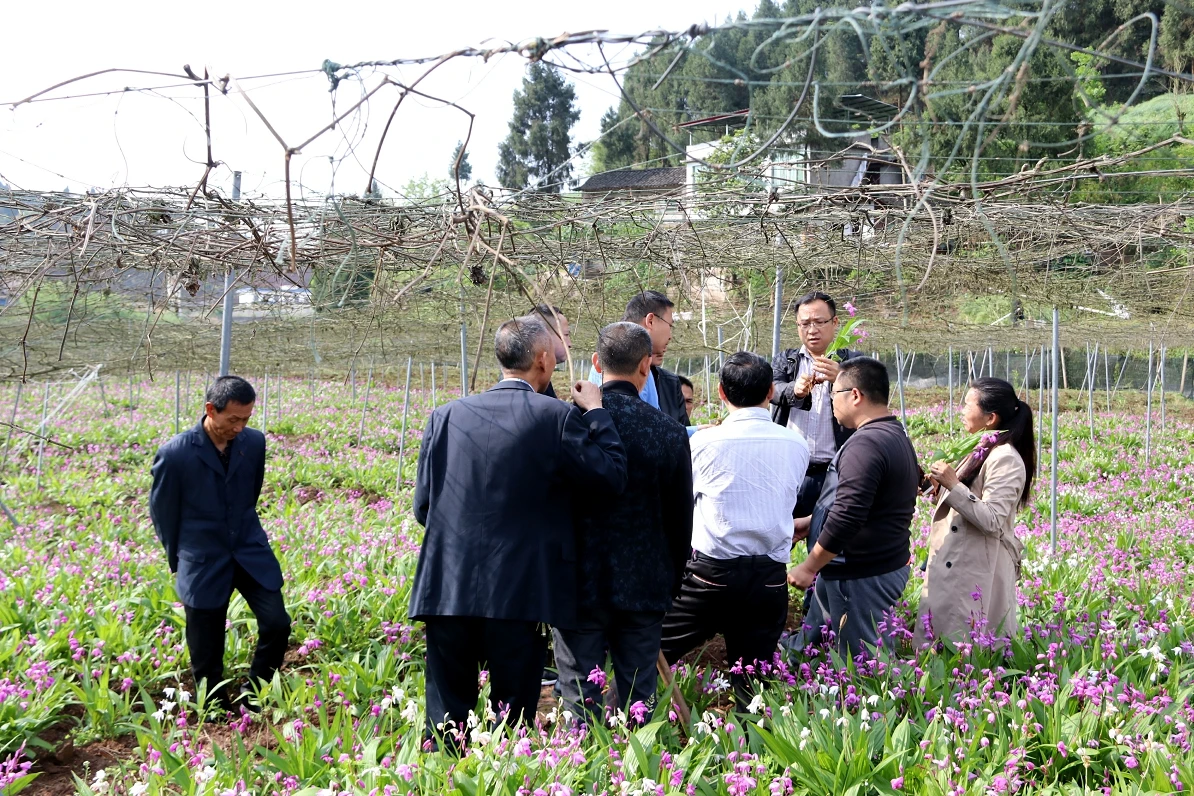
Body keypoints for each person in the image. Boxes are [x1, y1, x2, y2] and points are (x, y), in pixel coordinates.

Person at [410, 315, 627, 750]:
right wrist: (599, 412)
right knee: (510, 721)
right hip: (519, 591)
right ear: (544, 361)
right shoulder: (557, 416)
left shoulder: (445, 415)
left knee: (445, 719)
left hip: (447, 587)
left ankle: (444, 779)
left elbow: (424, 508)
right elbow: (610, 477)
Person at [554, 322, 692, 725]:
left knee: (580, 696)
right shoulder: (668, 431)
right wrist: (672, 578)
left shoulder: (569, 423)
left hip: (579, 583)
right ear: (646, 366)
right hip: (645, 583)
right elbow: (680, 517)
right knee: (637, 699)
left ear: (596, 363)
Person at [661, 353, 809, 704]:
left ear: (721, 392)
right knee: (754, 679)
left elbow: (680, 503)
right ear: (772, 391)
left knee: (653, 649)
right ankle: (752, 750)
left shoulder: (701, 443)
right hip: (770, 579)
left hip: (710, 576)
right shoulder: (796, 444)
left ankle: (624, 725)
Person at [149, 376, 291, 713]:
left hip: (248, 549)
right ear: (211, 410)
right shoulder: (176, 454)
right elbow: (164, 513)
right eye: (233, 419)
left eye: (246, 419)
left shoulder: (253, 443)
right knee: (207, 644)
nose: (240, 427)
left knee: (277, 622)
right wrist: (180, 560)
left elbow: (249, 494)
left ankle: (252, 693)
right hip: (202, 555)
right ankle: (212, 707)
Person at [787, 358, 918, 660]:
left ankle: (879, 706)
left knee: (864, 660)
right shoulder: (892, 435)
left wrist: (809, 566)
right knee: (817, 639)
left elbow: (848, 515)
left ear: (855, 395)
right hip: (868, 566)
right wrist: (812, 522)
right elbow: (869, 502)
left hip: (861, 573)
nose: (831, 401)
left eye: (834, 393)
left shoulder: (866, 444)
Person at [919, 377, 1033, 644]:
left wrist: (952, 484)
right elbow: (968, 498)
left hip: (975, 569)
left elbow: (992, 519)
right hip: (959, 561)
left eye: (967, 405)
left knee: (968, 652)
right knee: (946, 649)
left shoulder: (1005, 458)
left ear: (990, 417)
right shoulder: (981, 448)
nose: (961, 411)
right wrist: (936, 490)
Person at [771, 292, 860, 520]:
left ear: (835, 322)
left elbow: (868, 398)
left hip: (835, 473)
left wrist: (841, 378)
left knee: (829, 544)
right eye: (805, 323)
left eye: (820, 322)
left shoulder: (852, 363)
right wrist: (795, 390)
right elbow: (771, 388)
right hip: (789, 471)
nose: (812, 329)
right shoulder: (786, 361)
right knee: (780, 539)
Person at [589, 290, 690, 426]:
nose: (670, 335)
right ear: (650, 321)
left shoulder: (615, 358)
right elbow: (651, 427)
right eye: (670, 325)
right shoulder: (635, 362)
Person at [531, 304, 571, 399]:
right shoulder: (532, 390)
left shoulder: (541, 382)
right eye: (566, 334)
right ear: (544, 336)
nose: (569, 344)